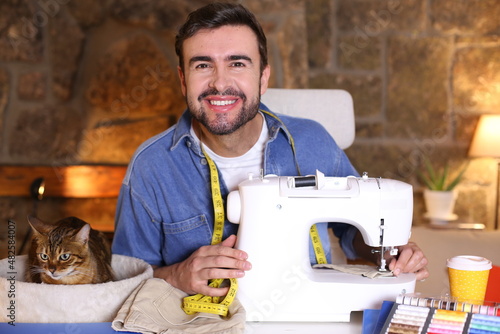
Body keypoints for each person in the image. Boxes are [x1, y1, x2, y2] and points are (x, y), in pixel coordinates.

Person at [112, 2, 428, 298]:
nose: (220, 83)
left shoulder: (312, 142)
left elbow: (354, 231)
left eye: (237, 63)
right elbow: (122, 282)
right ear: (183, 80)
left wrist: (387, 251)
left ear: (263, 77)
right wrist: (177, 276)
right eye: (203, 65)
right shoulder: (151, 167)